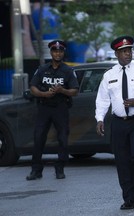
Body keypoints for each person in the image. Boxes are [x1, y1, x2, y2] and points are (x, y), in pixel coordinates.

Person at [95, 35, 134, 210]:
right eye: (123, 51)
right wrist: (100, 119)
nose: (127, 54)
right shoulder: (109, 75)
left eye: (129, 50)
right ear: (116, 54)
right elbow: (102, 100)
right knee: (122, 160)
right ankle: (129, 198)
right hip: (118, 122)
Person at [26, 40, 79, 181]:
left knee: (62, 138)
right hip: (44, 107)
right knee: (38, 138)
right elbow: (33, 87)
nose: (58, 53)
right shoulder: (42, 69)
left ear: (63, 53)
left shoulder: (68, 71)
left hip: (60, 107)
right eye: (55, 51)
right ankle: (36, 170)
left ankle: (60, 167)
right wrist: (43, 94)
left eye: (60, 51)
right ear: (51, 53)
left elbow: (74, 91)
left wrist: (62, 90)